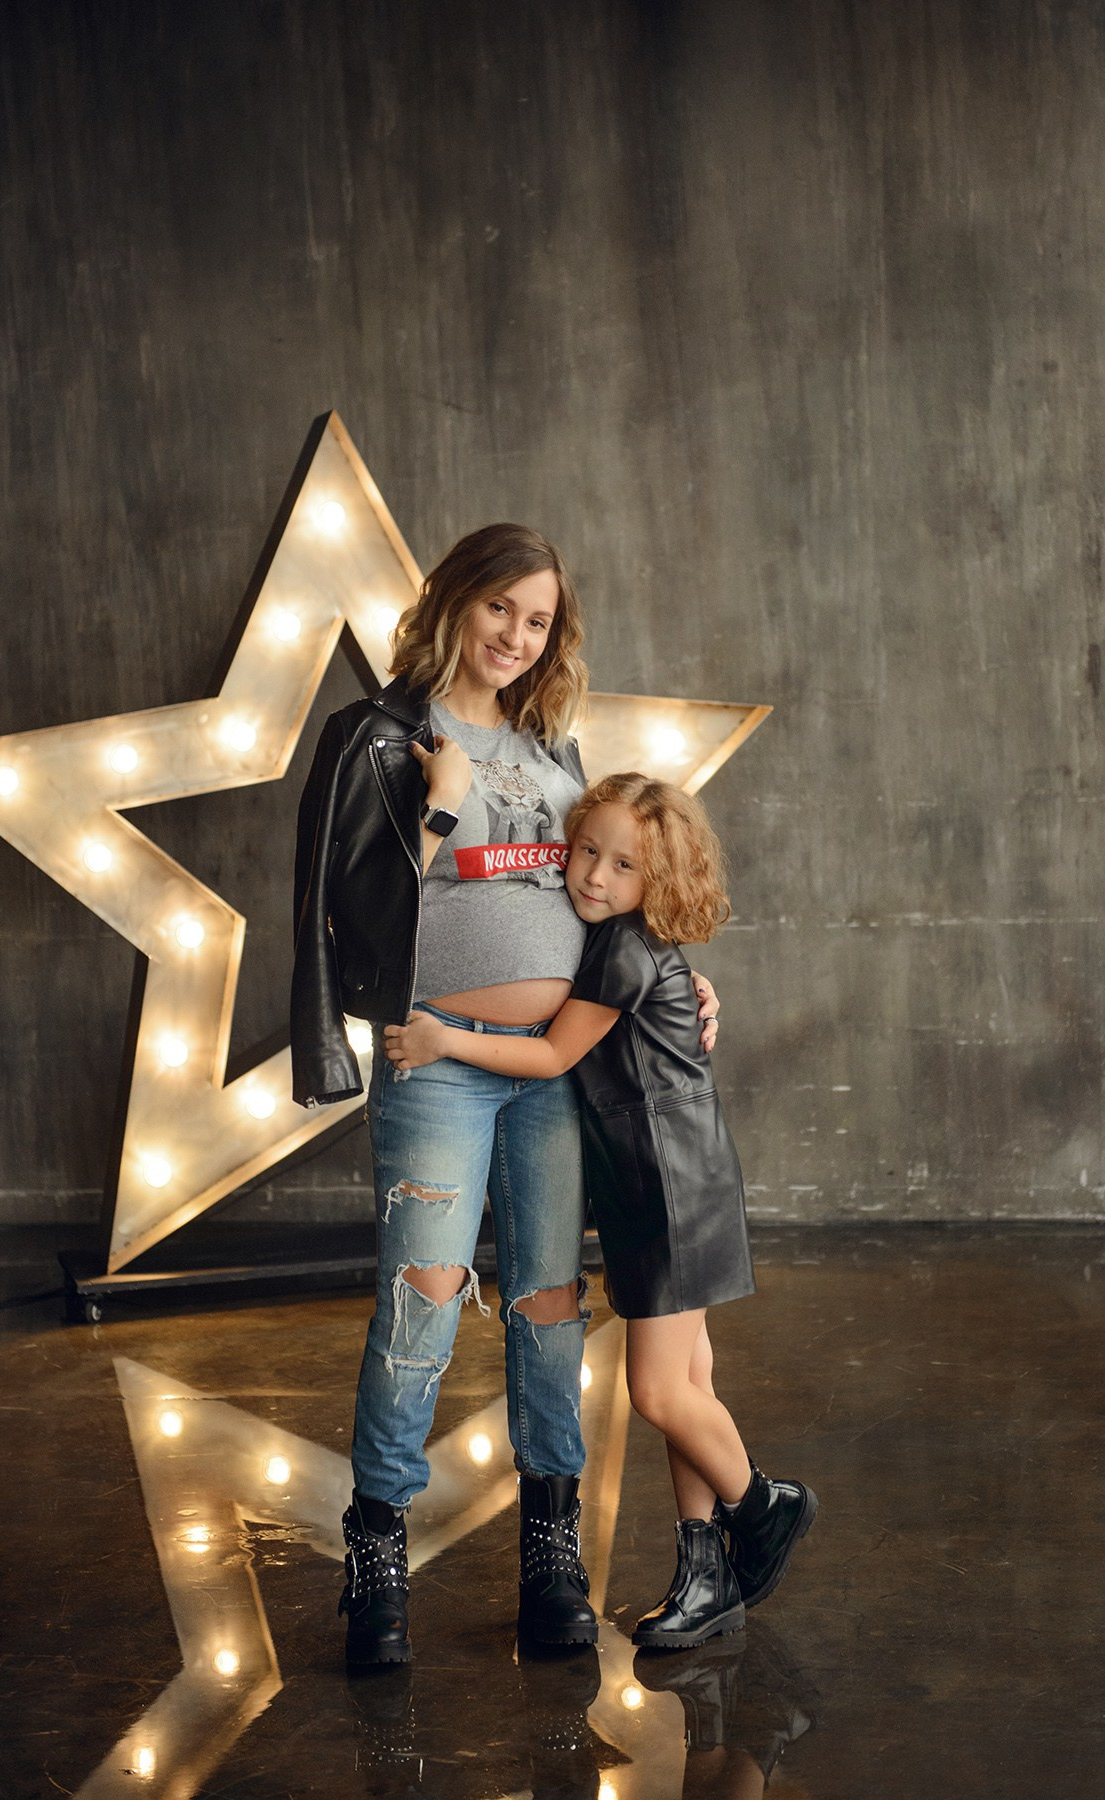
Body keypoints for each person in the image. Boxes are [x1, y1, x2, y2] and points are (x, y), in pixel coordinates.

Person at [289, 524, 721, 1665]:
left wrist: (670, 977)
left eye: (537, 623)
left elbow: (607, 893)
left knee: (544, 1304)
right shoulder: (377, 735)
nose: (516, 640)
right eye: (500, 612)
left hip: (551, 1070)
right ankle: (376, 1555)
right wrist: (440, 803)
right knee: (422, 1300)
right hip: (438, 1059)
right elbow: (348, 900)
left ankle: (551, 1547)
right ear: (453, 602)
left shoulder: (552, 742)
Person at [385, 772, 818, 1649]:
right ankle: (705, 1576)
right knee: (690, 1384)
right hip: (653, 1177)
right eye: (587, 851)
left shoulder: (623, 946)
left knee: (658, 1390)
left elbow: (547, 1054)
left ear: (656, 883)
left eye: (624, 867)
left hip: (669, 1185)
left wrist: (436, 1031)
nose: (594, 877)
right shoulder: (615, 940)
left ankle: (763, 1505)